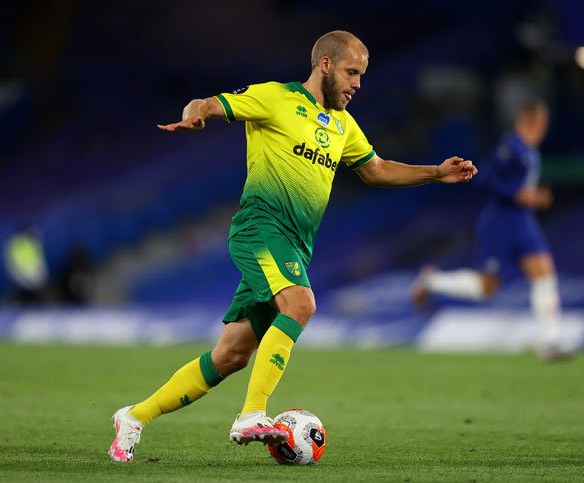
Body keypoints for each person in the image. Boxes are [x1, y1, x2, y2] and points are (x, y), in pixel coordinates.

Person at [109, 30, 477, 462]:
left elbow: (376, 170)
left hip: (295, 246)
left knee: (230, 356)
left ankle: (133, 417)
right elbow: (209, 103)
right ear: (325, 65)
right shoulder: (276, 98)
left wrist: (434, 172)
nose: (358, 83)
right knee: (301, 304)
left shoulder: (342, 125)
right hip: (260, 229)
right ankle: (251, 415)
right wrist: (196, 114)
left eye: (362, 75)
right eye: (351, 72)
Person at [411, 100, 563, 360]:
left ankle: (550, 343)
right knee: (486, 288)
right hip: (501, 223)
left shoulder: (529, 151)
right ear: (530, 121)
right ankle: (431, 281)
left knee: (545, 274)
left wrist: (534, 197)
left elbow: (521, 190)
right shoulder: (511, 146)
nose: (543, 129)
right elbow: (486, 177)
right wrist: (519, 194)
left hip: (523, 222)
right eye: (541, 123)